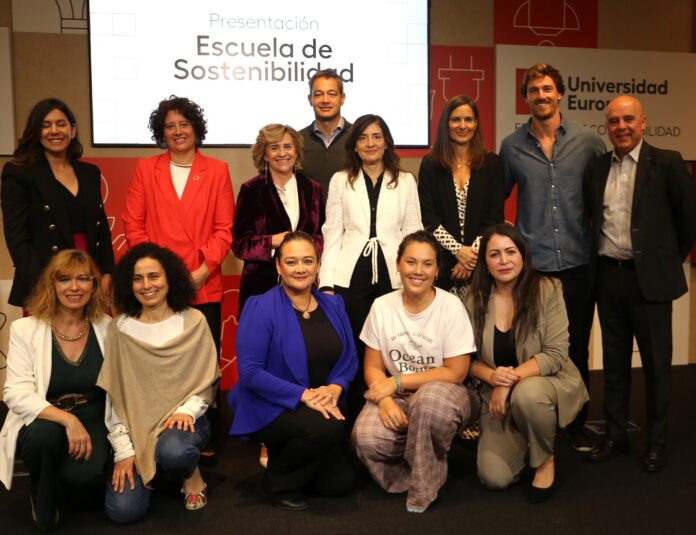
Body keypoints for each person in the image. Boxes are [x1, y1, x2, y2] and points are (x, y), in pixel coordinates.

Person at [584, 96, 696, 472]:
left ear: (644, 122)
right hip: (608, 278)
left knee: (657, 368)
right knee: (614, 366)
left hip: (649, 283)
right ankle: (615, 436)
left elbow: (688, 223)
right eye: (614, 121)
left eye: (628, 119)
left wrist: (661, 262)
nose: (621, 127)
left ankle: (656, 442)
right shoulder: (597, 167)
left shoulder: (667, 163)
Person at [498, 64, 605, 452]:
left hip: (578, 261)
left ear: (559, 93)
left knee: (577, 347)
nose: (540, 96)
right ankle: (534, 421)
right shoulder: (512, 146)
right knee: (531, 349)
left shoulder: (589, 141)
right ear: (525, 98)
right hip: (534, 267)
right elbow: (497, 201)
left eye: (547, 89)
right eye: (533, 91)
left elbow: (603, 200)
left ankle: (575, 423)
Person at [121, 96, 233, 459]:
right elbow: (133, 224)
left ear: (196, 128)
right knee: (159, 359)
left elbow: (224, 229)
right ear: (161, 132)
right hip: (156, 285)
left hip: (204, 282)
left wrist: (200, 273)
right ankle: (153, 424)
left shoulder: (216, 170)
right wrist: (158, 271)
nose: (178, 131)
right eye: (170, 125)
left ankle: (204, 433)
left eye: (184, 124)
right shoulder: (145, 169)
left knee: (203, 360)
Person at [228, 231, 357, 512]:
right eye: (292, 261)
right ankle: (277, 482)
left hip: (322, 401)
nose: (300, 268)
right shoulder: (260, 306)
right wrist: (304, 395)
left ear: (319, 265)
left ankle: (286, 455)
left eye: (308, 261)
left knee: (340, 484)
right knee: (328, 428)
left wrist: (336, 387)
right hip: (271, 403)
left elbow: (349, 358)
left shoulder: (334, 304)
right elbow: (250, 373)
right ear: (278, 266)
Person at [352, 231, 480, 513]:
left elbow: (457, 372)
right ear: (398, 265)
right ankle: (419, 468)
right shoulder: (382, 306)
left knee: (427, 403)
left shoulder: (450, 306)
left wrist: (397, 380)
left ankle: (423, 488)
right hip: (397, 396)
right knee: (365, 437)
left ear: (437, 270)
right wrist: (385, 401)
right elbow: (372, 366)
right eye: (411, 262)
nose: (418, 271)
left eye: (427, 264)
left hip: (447, 395)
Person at [465, 223, 588, 503]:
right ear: (485, 261)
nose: (504, 260)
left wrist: (507, 383)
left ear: (523, 254)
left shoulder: (547, 289)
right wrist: (494, 379)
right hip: (496, 395)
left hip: (546, 383)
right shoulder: (475, 298)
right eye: (494, 254)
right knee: (494, 478)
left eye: (510, 251)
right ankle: (525, 436)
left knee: (527, 395)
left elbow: (556, 354)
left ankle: (544, 460)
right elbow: (468, 361)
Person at [98, 243, 220, 522]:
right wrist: (124, 451)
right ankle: (147, 458)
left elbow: (205, 381)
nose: (146, 285)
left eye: (154, 276)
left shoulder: (193, 321)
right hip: (135, 427)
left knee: (174, 451)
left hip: (183, 423)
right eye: (137, 278)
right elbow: (115, 394)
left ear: (170, 278)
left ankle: (191, 473)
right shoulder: (119, 328)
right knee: (122, 512)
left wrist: (185, 411)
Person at [319, 114, 423, 426]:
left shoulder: (405, 181)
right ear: (355, 145)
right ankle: (351, 421)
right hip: (351, 275)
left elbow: (414, 230)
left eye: (377, 136)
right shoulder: (341, 179)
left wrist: (415, 276)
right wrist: (326, 283)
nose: (370, 143)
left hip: (394, 276)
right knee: (354, 348)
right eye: (363, 137)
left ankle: (393, 414)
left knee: (392, 347)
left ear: (387, 141)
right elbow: (332, 232)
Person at [0, 250, 110, 531]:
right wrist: (67, 419)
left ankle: (62, 478)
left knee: (84, 479)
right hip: (46, 416)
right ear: (52, 285)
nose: (74, 287)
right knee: (42, 439)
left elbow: (117, 389)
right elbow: (14, 392)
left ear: (94, 285)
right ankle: (41, 495)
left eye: (83, 279)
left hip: (95, 413)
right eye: (64, 280)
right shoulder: (25, 328)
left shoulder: (107, 327)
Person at [1, 98, 114, 309]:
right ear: (35, 132)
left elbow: (102, 230)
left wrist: (106, 273)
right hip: (43, 279)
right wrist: (45, 285)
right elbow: (17, 238)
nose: (54, 130)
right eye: (46, 125)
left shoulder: (90, 173)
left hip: (89, 278)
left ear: (72, 130)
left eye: (61, 124)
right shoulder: (18, 173)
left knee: (92, 341)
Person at [232, 124, 324, 312]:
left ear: (296, 151)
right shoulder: (251, 190)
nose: (282, 153)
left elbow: (323, 236)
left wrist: (300, 246)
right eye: (274, 148)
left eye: (288, 146)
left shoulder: (312, 189)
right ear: (265, 154)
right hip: (261, 288)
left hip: (305, 286)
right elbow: (239, 244)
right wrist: (272, 241)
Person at [418, 95, 505, 294]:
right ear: (446, 124)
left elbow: (494, 217)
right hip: (442, 263)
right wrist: (458, 251)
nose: (462, 125)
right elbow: (428, 216)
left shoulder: (492, 163)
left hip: (481, 264)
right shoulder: (430, 164)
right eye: (456, 119)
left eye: (468, 119)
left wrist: (470, 257)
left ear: (476, 124)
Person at [299, 69, 352, 204]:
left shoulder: (358, 138)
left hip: (350, 224)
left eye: (332, 94)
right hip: (309, 224)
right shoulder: (297, 141)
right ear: (310, 99)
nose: (325, 100)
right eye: (318, 94)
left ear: (342, 98)